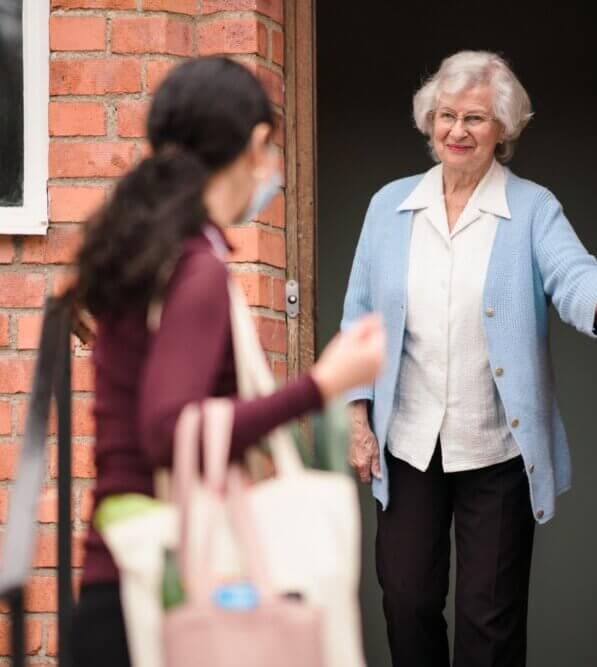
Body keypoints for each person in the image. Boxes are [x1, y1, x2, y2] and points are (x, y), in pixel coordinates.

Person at [340, 50, 597, 667]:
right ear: (429, 120)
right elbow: (359, 320)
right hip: (408, 443)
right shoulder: (389, 208)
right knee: (406, 603)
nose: (458, 131)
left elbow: (573, 276)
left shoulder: (532, 209)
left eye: (476, 119)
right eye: (447, 116)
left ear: (504, 129)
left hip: (496, 448)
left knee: (491, 622)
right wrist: (358, 420)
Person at [69, 56, 385, 666]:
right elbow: (169, 430)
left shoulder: (151, 249)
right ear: (256, 144)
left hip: (125, 580)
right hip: (164, 594)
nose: (271, 171)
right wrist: (323, 386)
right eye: (270, 152)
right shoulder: (197, 266)